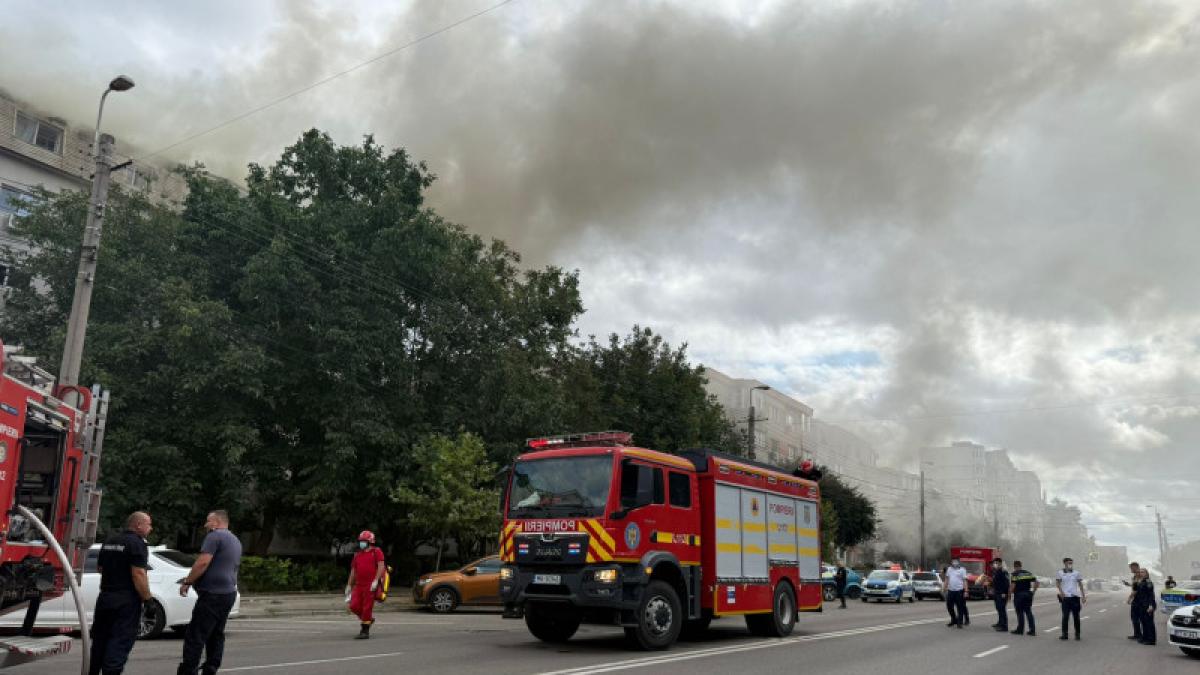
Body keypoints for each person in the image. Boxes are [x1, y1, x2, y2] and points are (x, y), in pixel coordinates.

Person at [177, 510, 243, 675]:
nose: (206, 525)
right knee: (216, 634)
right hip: (228, 593)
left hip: (212, 594)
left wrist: (188, 581)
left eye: (208, 521)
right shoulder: (235, 540)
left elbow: (203, 562)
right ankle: (211, 668)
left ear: (217, 522)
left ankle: (188, 670)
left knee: (196, 635)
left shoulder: (215, 536)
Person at [89, 512, 154, 675]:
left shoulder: (110, 540)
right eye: (149, 524)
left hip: (105, 598)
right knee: (119, 642)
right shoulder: (137, 544)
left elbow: (100, 568)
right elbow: (138, 573)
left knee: (100, 642)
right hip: (125, 601)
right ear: (138, 525)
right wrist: (148, 600)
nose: (150, 528)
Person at [346, 530, 386, 639]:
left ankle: (364, 630)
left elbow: (381, 566)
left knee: (367, 607)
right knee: (353, 606)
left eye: (363, 541)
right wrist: (349, 585)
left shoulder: (376, 552)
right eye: (360, 541)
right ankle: (368, 619)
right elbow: (353, 571)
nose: (361, 543)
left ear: (369, 542)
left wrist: (376, 581)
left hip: (370, 585)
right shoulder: (357, 555)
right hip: (358, 585)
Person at [1055, 556, 1085, 641]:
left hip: (1075, 598)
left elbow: (1080, 584)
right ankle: (1065, 634)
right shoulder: (1060, 573)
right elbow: (1057, 583)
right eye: (1069, 563)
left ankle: (1077, 634)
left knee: (1076, 617)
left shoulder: (1076, 573)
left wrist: (1083, 596)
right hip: (1065, 598)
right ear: (1064, 563)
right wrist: (1061, 592)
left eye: (1071, 563)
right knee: (1065, 617)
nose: (1070, 564)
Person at [1009, 560, 1038, 636]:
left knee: (1020, 612)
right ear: (1021, 565)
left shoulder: (1015, 574)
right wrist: (1033, 592)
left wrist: (1009, 594)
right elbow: (1037, 582)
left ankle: (1020, 629)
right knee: (1028, 612)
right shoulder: (1028, 573)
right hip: (1028, 594)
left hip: (1019, 595)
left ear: (1015, 566)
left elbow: (1013, 586)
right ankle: (1032, 630)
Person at [1133, 568, 1157, 645]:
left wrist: (1150, 605)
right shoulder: (1141, 581)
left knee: (1149, 622)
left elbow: (1151, 594)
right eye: (1140, 572)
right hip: (1142, 605)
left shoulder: (1148, 581)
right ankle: (1145, 637)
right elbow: (1137, 591)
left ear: (1147, 573)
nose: (1141, 573)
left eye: (1143, 572)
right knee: (1143, 622)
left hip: (1148, 604)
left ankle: (1151, 640)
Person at [944, 558, 969, 628]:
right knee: (949, 606)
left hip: (959, 591)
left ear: (958, 562)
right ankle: (953, 619)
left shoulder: (962, 570)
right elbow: (946, 579)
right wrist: (944, 588)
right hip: (951, 591)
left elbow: (964, 581)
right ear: (951, 562)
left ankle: (959, 622)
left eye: (956, 561)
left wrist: (966, 591)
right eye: (953, 561)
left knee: (960, 607)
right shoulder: (949, 569)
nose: (954, 562)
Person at [990, 558, 1010, 632]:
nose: (995, 564)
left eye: (996, 563)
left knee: (1002, 610)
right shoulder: (996, 571)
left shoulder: (1003, 571)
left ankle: (1004, 626)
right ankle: (1000, 623)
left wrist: (1004, 593)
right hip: (997, 593)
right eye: (994, 563)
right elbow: (996, 582)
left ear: (1000, 563)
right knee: (999, 609)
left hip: (1002, 594)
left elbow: (1007, 583)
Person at [1126, 562, 1143, 641]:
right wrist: (1129, 584)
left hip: (1139, 599)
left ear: (1136, 567)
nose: (1131, 569)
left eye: (1131, 568)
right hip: (1137, 599)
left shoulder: (1139, 575)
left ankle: (1139, 635)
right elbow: (1134, 586)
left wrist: (1130, 598)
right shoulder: (1135, 576)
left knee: (1136, 617)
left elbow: (1136, 589)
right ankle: (1137, 634)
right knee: (1134, 617)